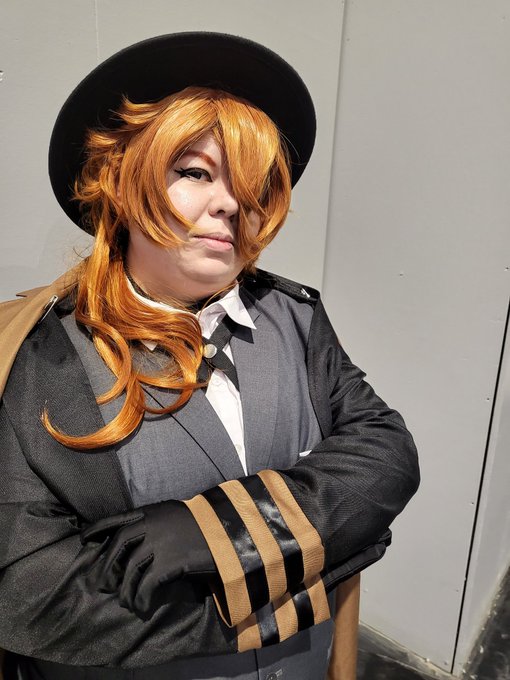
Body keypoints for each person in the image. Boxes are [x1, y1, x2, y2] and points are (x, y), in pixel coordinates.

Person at [0, 32, 419, 680]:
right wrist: (329, 552)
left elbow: (386, 449)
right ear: (120, 182)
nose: (231, 202)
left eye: (252, 182)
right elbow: (35, 596)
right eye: (195, 172)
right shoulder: (38, 359)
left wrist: (225, 534)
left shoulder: (296, 317)